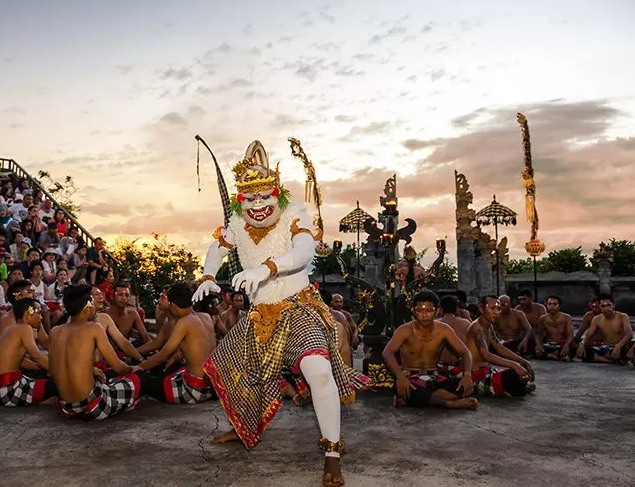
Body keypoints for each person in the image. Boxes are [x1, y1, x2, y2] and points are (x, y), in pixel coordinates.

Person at [192, 141, 368, 487]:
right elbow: (218, 247)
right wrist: (209, 275)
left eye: (264, 197)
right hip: (259, 317)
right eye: (250, 199)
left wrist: (266, 268)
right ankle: (242, 426)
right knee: (233, 371)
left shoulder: (294, 213)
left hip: (298, 309)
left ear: (277, 193)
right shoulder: (237, 221)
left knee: (318, 373)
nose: (258, 205)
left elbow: (304, 251)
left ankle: (332, 454)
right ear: (241, 200)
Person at [49, 284, 142, 420]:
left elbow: (53, 370)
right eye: (92, 301)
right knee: (139, 378)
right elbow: (119, 367)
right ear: (86, 307)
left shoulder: (55, 331)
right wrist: (134, 368)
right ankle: (126, 403)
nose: (96, 303)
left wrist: (90, 370)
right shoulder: (94, 328)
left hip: (67, 407)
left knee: (109, 380)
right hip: (93, 406)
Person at [382, 290, 477, 410]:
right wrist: (400, 376)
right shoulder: (404, 330)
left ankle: (424, 399)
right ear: (413, 311)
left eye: (429, 310)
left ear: (437, 311)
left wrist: (467, 375)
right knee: (416, 392)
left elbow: (465, 352)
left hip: (434, 376)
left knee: (467, 387)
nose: (425, 315)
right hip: (410, 376)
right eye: (420, 310)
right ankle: (451, 403)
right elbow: (387, 353)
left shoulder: (444, 330)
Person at [138, 282, 216, 404]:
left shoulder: (184, 322)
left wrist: (139, 367)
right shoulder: (206, 317)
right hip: (211, 387)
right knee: (170, 370)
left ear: (173, 305)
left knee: (141, 379)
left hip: (193, 391)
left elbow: (163, 355)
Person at [0, 298, 57, 407]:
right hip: (9, 392)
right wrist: (59, 370)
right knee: (59, 384)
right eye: (38, 313)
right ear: (27, 314)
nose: (41, 317)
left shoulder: (13, 328)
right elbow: (37, 356)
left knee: (45, 376)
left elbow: (22, 360)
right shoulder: (25, 328)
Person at [466, 296, 535, 397]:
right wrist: (515, 365)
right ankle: (514, 388)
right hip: (476, 374)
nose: (496, 312)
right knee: (513, 375)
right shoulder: (477, 328)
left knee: (523, 368)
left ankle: (514, 388)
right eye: (492, 308)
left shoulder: (489, 326)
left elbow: (500, 348)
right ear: (481, 309)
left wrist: (524, 361)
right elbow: (486, 356)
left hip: (487, 370)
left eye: (498, 309)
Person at [89, 286, 144, 371]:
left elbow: (123, 342)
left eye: (101, 294)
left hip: (105, 364)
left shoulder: (104, 318)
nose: (101, 297)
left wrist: (141, 360)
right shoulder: (75, 321)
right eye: (96, 294)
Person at [576, 293, 633, 364]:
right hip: (606, 347)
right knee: (583, 352)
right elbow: (588, 334)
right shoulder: (597, 319)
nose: (606, 308)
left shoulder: (622, 317)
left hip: (621, 346)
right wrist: (582, 345)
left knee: (626, 350)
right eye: (603, 306)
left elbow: (629, 334)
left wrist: (618, 346)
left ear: (613, 305)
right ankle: (609, 360)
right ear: (600, 307)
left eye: (609, 305)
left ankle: (602, 358)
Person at [436, 295, 472, 379]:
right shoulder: (466, 323)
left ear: (441, 309)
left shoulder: (435, 324)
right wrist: (468, 317)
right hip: (459, 367)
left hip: (439, 368)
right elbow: (477, 336)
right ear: (456, 309)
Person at [535, 295, 575, 361]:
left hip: (563, 344)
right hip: (550, 344)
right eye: (549, 304)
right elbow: (538, 334)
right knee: (538, 351)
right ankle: (555, 355)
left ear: (559, 306)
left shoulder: (566, 317)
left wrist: (566, 345)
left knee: (574, 347)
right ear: (546, 305)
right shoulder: (543, 318)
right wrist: (538, 344)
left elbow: (570, 334)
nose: (552, 306)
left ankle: (555, 355)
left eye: (555, 304)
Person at [514, 289, 546, 355]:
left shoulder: (540, 308)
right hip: (523, 338)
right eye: (520, 300)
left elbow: (544, 327)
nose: (522, 302)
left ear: (531, 299)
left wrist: (539, 343)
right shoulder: (517, 309)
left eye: (524, 299)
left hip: (539, 338)